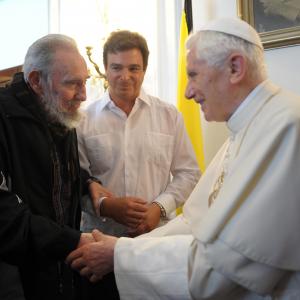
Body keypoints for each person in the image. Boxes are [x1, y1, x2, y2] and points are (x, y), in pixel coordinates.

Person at [67, 18, 300, 299]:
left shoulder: (284, 128)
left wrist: (121, 252)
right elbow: (195, 221)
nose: (188, 92)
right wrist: (120, 246)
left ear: (235, 68)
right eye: (116, 67)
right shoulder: (249, 128)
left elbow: (223, 267)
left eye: (193, 75)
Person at [0, 34, 97, 300]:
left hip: (60, 270)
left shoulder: (57, 109)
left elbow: (55, 172)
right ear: (35, 81)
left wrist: (89, 183)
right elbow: (5, 217)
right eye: (72, 84)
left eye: (85, 82)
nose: (83, 95)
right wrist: (74, 241)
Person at [77, 30, 200, 237]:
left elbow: (189, 173)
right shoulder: (83, 121)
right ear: (105, 69)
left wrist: (159, 207)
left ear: (144, 70)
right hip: (100, 238)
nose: (125, 77)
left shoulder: (169, 116)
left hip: (157, 237)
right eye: (116, 67)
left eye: (134, 68)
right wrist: (107, 206)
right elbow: (76, 183)